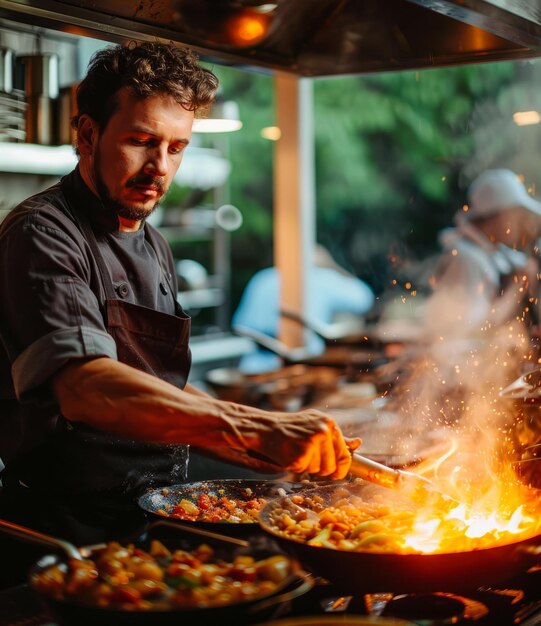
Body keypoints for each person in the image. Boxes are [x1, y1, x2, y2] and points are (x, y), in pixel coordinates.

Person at [0, 41, 359, 552]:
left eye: (176, 147)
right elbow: (86, 387)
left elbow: (153, 383)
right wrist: (252, 425)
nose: (160, 167)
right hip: (66, 528)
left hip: (155, 509)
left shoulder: (153, 243)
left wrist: (256, 447)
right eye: (142, 141)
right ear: (87, 133)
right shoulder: (42, 233)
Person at [232, 245, 375, 373]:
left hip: (252, 367)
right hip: (305, 366)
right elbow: (364, 299)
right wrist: (332, 267)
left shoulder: (263, 278)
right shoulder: (321, 277)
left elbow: (240, 325)